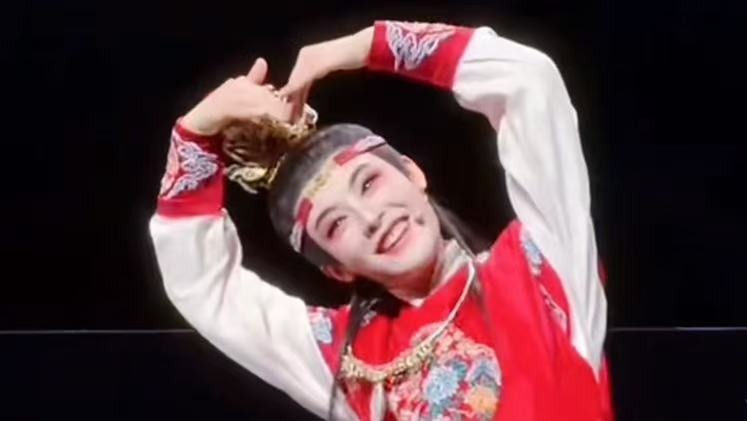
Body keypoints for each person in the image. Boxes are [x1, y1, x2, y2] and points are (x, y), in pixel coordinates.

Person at [150, 19, 612, 420]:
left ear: (412, 172)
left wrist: (368, 45)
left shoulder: (539, 269)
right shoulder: (352, 360)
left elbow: (531, 85)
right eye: (336, 225)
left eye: (369, 183)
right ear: (337, 268)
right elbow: (204, 287)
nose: (370, 217)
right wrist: (196, 131)